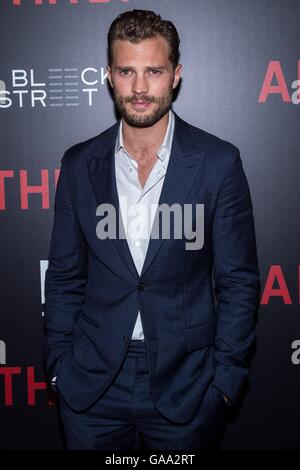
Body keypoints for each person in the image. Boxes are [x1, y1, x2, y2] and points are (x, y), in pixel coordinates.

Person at [44, 9, 260, 450]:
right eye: (127, 71)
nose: (140, 88)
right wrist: (58, 368)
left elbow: (238, 282)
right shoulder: (79, 164)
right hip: (91, 387)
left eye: (153, 71)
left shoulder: (219, 163)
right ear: (109, 76)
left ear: (176, 75)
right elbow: (65, 277)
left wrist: (223, 382)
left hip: (187, 386)